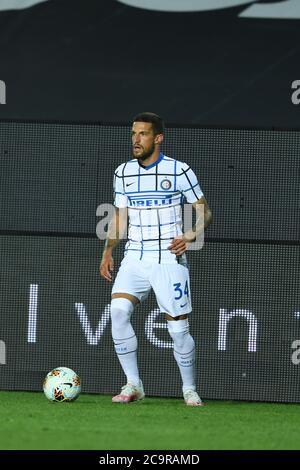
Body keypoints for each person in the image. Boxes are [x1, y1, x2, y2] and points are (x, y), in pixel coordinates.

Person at [100, 112, 212, 406]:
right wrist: (108, 250)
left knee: (178, 329)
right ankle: (133, 384)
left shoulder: (179, 170)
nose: (136, 140)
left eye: (143, 134)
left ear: (158, 137)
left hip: (167, 258)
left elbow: (205, 211)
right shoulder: (123, 172)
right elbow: (120, 217)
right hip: (134, 256)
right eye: (133, 134)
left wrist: (190, 235)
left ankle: (189, 389)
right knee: (119, 312)